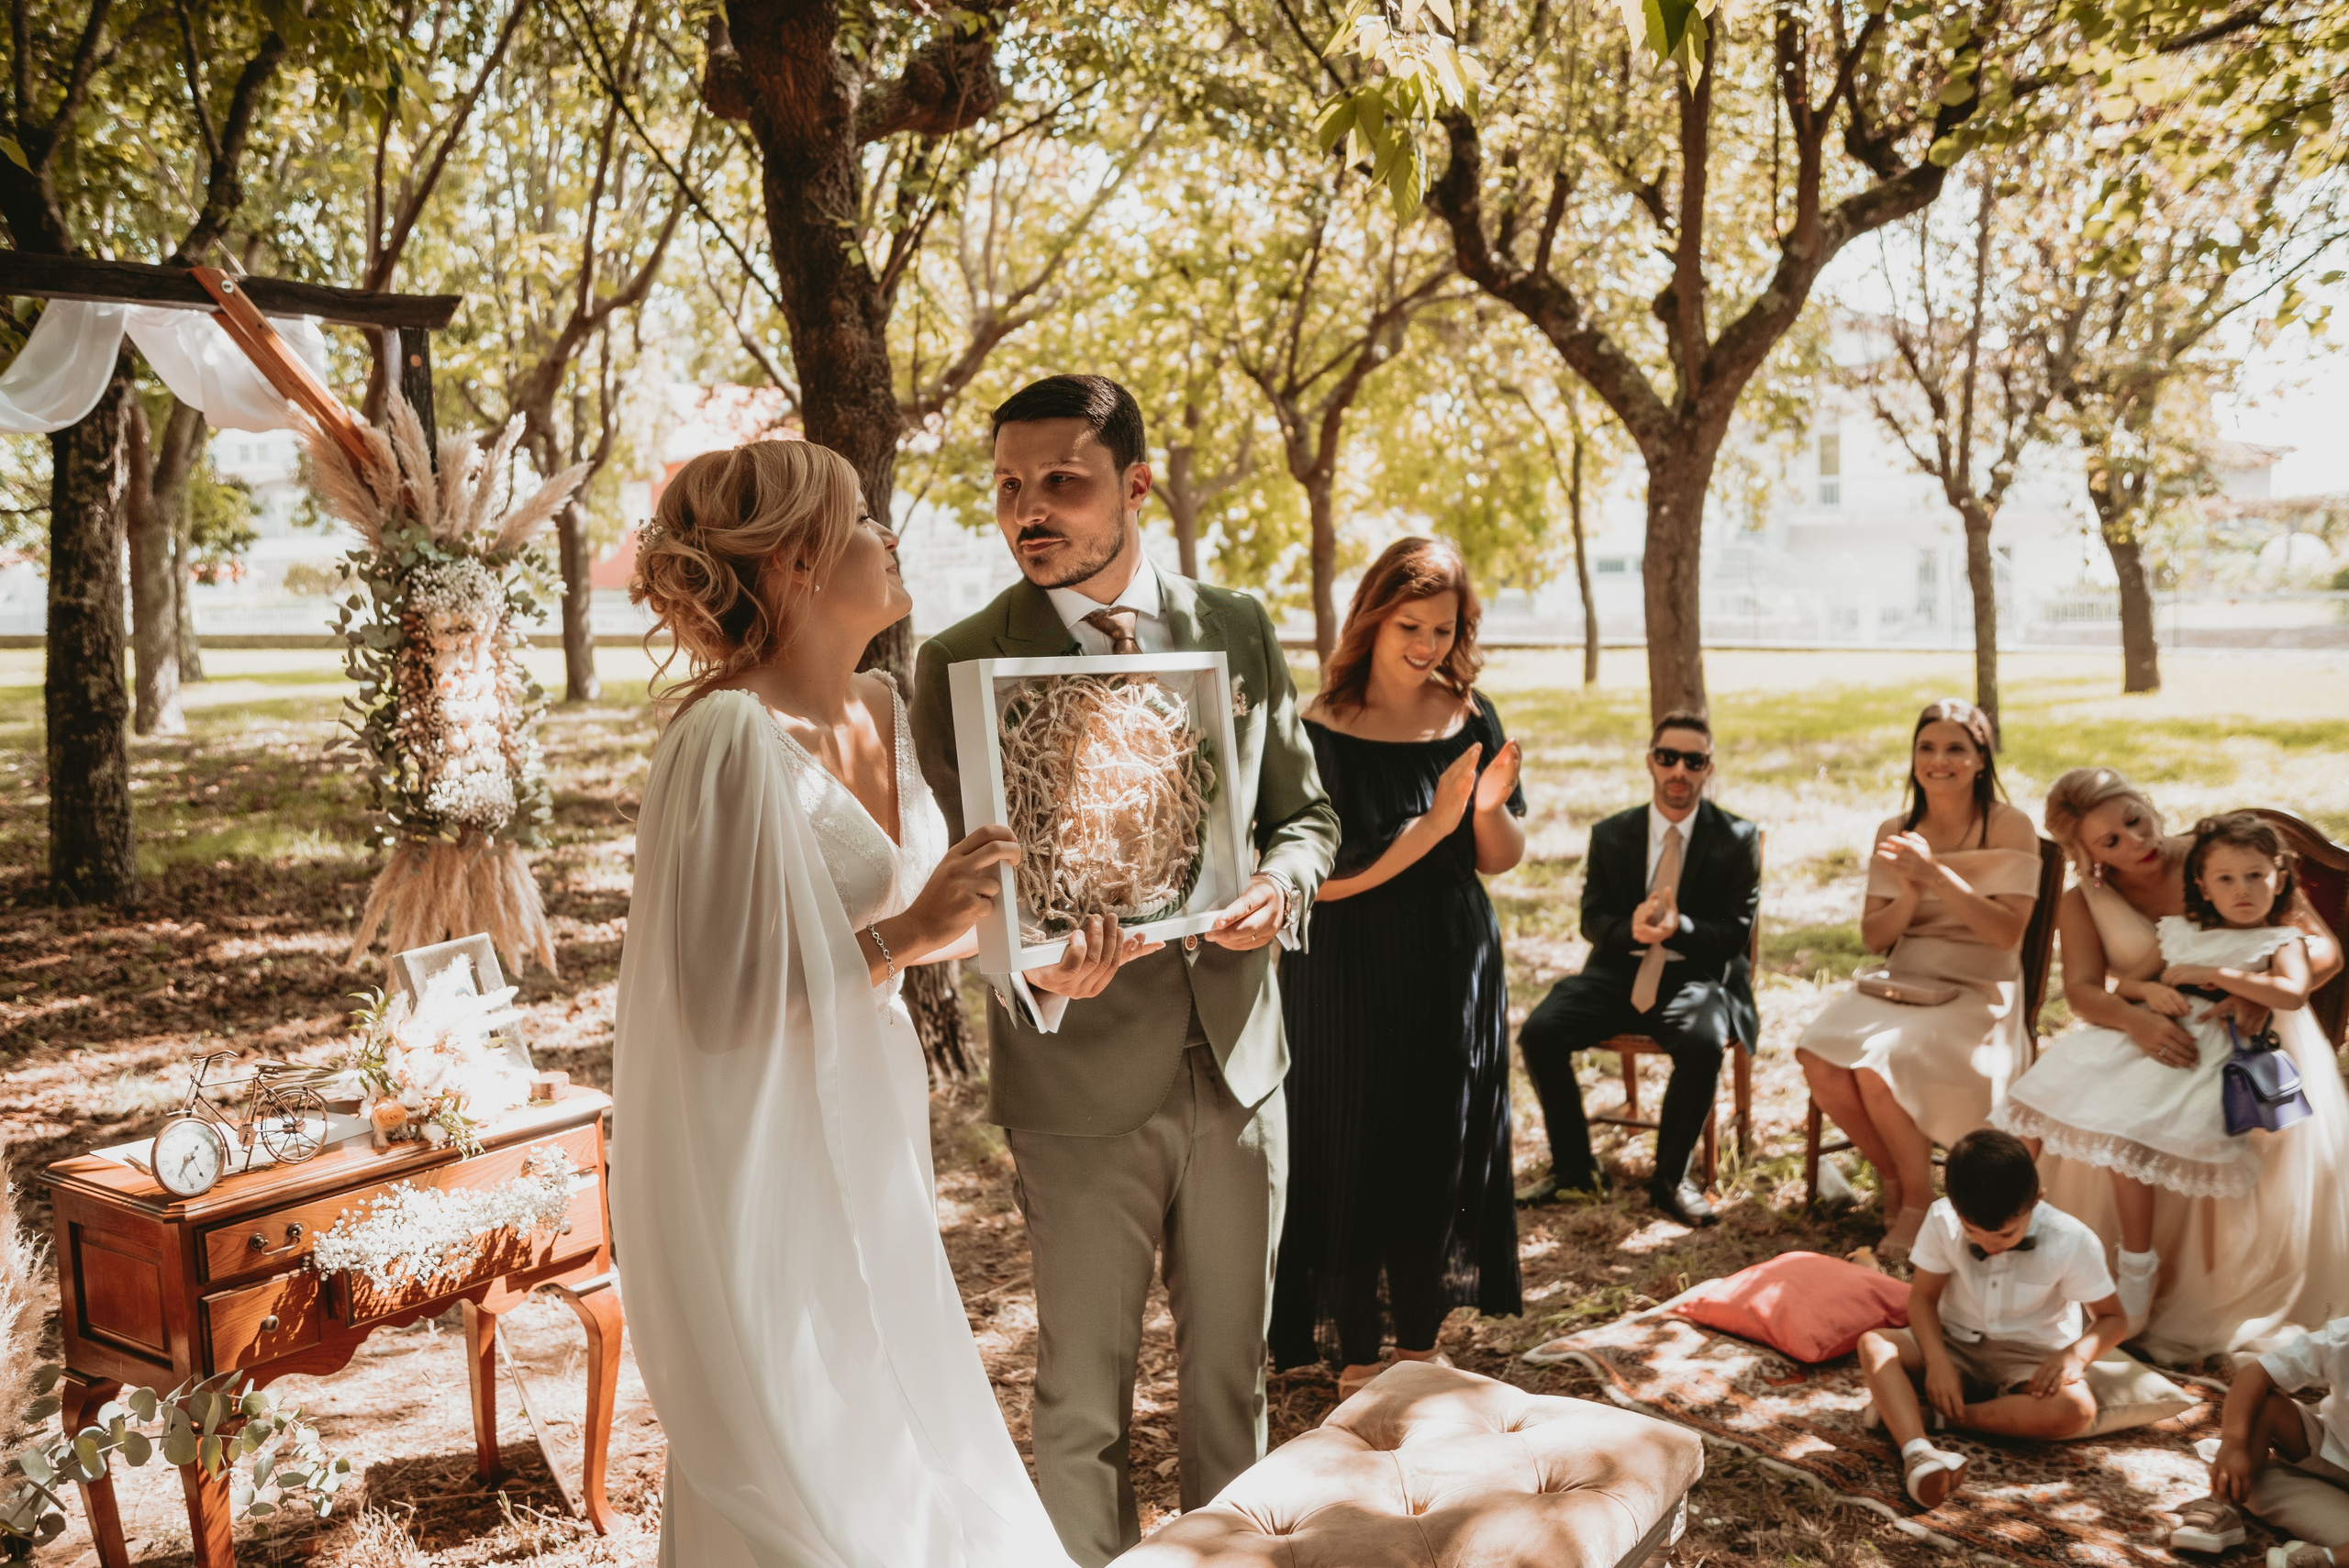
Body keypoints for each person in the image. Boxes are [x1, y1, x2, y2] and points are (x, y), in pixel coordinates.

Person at [609, 442, 1081, 1567]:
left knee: (893, 1380)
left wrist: (1036, 960)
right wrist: (908, 935)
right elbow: (720, 1004)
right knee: (807, 1414)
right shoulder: (725, 740)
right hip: (768, 1135)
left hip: (870, 1110)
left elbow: (930, 916)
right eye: (863, 516)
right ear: (795, 565)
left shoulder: (879, 700)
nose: (889, 534)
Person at [910, 374, 1339, 1567]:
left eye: (1061, 482)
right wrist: (1044, 974)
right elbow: (969, 897)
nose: (1027, 510)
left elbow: (1305, 817)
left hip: (1244, 1069)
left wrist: (1279, 889)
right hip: (1080, 1087)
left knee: (1230, 1388)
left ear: (1137, 486)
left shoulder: (1238, 625)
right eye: (1006, 486)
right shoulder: (957, 665)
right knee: (1080, 1405)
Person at [1267, 537, 1527, 1402]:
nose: (1427, 644)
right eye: (1410, 624)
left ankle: (1418, 1341)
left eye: (1445, 629)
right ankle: (1356, 1351)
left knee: (1436, 1140)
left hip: (1454, 964)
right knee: (1349, 1141)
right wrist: (1428, 826)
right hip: (1346, 968)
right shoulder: (1316, 730)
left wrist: (1485, 810)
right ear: (1373, 619)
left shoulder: (1471, 713)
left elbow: (1499, 855)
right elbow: (1319, 880)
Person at [2027, 767, 2349, 1362]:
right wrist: (2141, 1018)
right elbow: (2082, 992)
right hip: (2152, 1030)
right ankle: (2119, 1269)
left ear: (2146, 801)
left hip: (2254, 1031)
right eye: (2112, 841)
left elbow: (2320, 945)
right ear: (2086, 853)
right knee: (2097, 1104)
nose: (2136, 840)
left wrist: (2258, 988)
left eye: (2135, 817)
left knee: (2182, 1113)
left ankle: (2216, 1287)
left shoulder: (2222, 858)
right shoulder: (2084, 900)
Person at [1797, 698, 2042, 1258]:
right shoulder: (1897, 829)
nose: (1940, 760)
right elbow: (1876, 937)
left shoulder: (2011, 825)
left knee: (1879, 1068)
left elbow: (2006, 933)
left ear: (1981, 759)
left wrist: (1935, 875)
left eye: (1956, 748)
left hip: (1981, 989)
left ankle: (1915, 1205)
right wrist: (1909, 889)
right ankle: (1895, 1178)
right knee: (1819, 1055)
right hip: (1905, 982)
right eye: (1926, 748)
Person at [1515, 709, 1761, 1226]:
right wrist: (1630, 929)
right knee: (1539, 1032)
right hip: (1618, 969)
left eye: (1693, 762)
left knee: (1700, 1044)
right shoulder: (1612, 834)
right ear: (1650, 762)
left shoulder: (1735, 837)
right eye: (1668, 758)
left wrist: (1680, 929)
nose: (1679, 771)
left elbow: (1735, 935)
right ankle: (1575, 1171)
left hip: (1695, 974)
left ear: (1708, 769)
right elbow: (1591, 919)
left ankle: (1671, 1180)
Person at [1854, 1129, 2130, 1510]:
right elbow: (1923, 1298)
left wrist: (2075, 1357)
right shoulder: (1941, 1218)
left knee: (2075, 1409)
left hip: (2028, 1359)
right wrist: (1936, 1363)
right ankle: (1916, 1452)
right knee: (1875, 1344)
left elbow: (2114, 1320)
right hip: (1951, 1343)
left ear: (2037, 1200)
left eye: (2004, 1234)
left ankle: (1931, 1418)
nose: (1989, 1245)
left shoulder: (2071, 1239)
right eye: (1973, 1232)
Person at [2169, 1314, 2349, 1564]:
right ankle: (2224, 1505)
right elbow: (2255, 1374)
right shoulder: (2341, 1338)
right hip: (2332, 1445)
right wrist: (2233, 1443)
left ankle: (2324, 1560)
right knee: (2266, 1406)